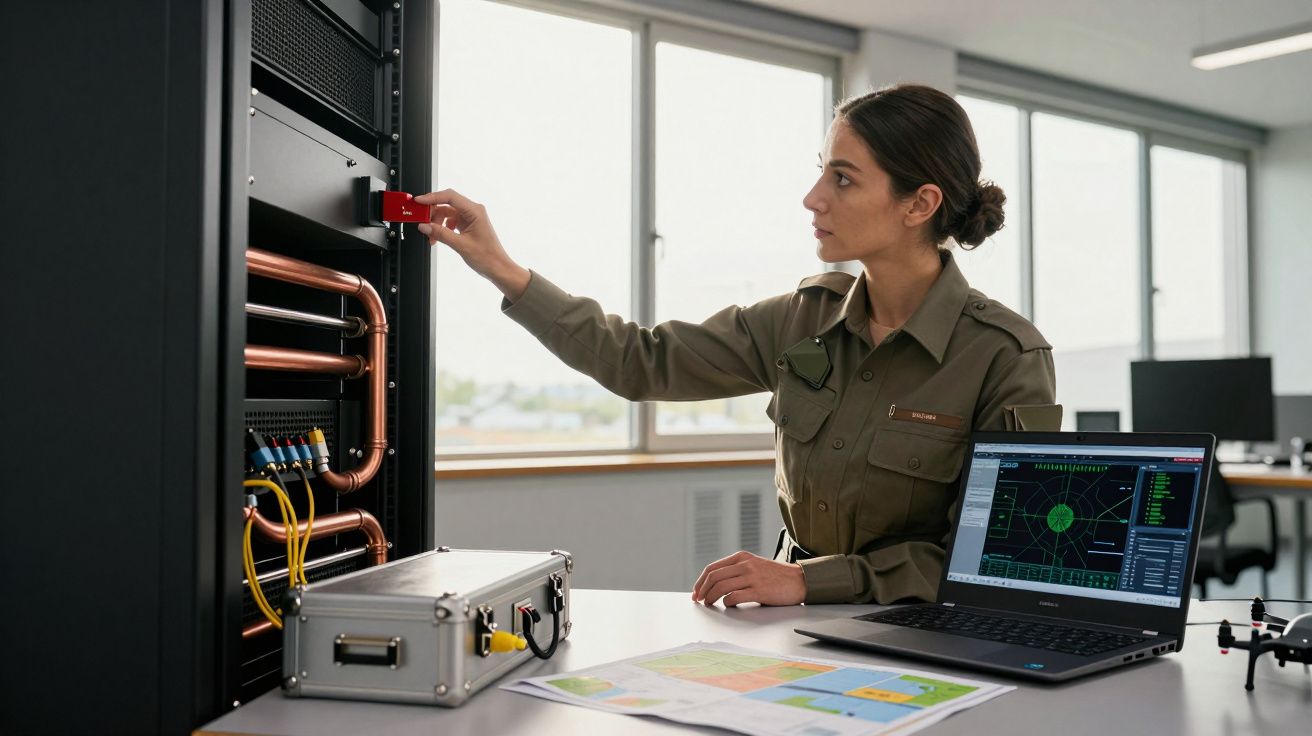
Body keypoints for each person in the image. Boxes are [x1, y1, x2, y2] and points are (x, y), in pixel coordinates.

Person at [413, 84, 1061, 608]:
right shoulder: (800, 320)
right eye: (821, 174)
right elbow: (643, 361)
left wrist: (814, 582)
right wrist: (505, 270)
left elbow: (993, 563)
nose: (813, 199)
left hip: (921, 642)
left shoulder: (1006, 358)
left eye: (843, 179)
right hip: (788, 626)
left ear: (919, 204)